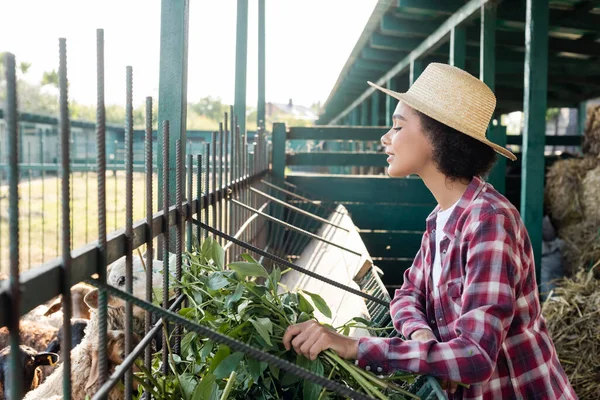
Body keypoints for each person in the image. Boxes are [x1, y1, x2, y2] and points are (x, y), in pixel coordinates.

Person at [282, 63, 577, 399]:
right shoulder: (440, 218)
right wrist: (424, 338)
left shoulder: (491, 222)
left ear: (439, 136)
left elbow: (476, 357)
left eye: (397, 126)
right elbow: (407, 295)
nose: (386, 137)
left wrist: (355, 347)